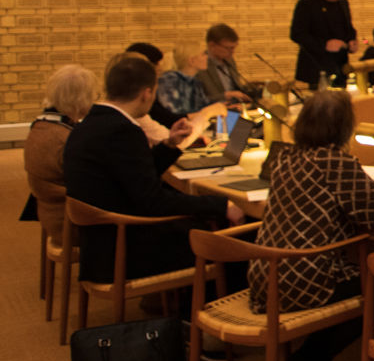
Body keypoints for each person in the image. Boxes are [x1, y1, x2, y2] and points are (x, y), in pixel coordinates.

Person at [251, 90, 374, 361]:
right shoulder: (335, 162)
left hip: (265, 276)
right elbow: (372, 209)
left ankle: (306, 360)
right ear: (344, 128)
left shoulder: (285, 157)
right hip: (302, 278)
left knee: (358, 279)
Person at [61, 54, 246, 289]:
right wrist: (221, 205)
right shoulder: (123, 131)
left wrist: (169, 145)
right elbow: (153, 201)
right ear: (147, 93)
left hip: (101, 244)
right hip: (125, 250)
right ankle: (208, 307)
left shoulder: (92, 123)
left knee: (208, 217)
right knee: (233, 235)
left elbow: (135, 175)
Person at [24, 65, 98, 259]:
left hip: (50, 217)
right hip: (72, 225)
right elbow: (91, 183)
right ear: (81, 98)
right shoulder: (66, 138)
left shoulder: (41, 125)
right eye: (93, 95)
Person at [290, 0, 356, 87]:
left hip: (340, 66)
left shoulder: (343, 3)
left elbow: (349, 29)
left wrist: (352, 40)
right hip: (316, 67)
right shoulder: (307, 4)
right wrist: (325, 44)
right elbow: (297, 34)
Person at [198, 23, 262, 104]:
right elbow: (197, 101)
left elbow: (235, 88)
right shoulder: (198, 66)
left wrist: (252, 89)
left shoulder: (229, 60)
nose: (232, 52)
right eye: (228, 48)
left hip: (236, 107)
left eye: (234, 47)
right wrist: (225, 96)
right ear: (212, 45)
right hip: (216, 110)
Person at [158, 45, 211, 119]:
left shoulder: (195, 82)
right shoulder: (169, 80)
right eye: (203, 54)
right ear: (191, 60)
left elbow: (204, 106)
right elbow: (173, 114)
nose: (207, 57)